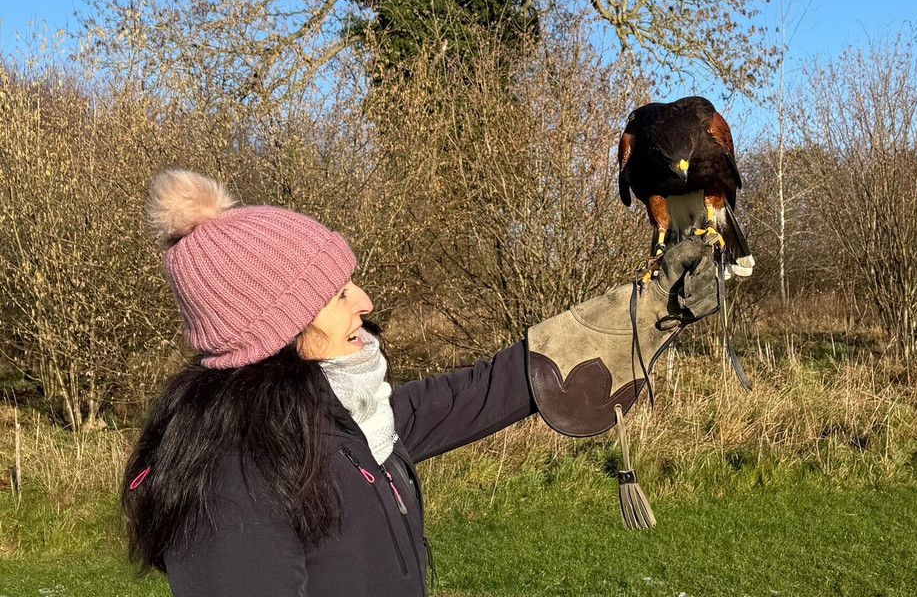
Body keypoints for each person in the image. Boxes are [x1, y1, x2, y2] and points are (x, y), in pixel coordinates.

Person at [122, 168, 715, 596]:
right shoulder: (235, 479)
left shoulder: (346, 416)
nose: (364, 301)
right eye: (335, 293)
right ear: (275, 330)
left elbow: (484, 390)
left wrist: (644, 307)